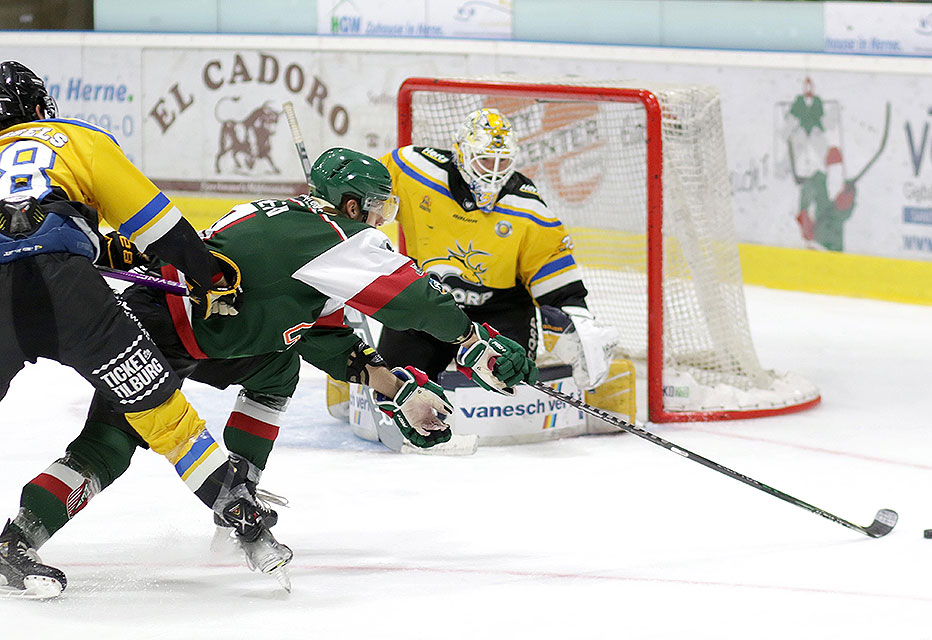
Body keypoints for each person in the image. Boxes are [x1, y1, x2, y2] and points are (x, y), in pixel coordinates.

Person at [5, 147, 538, 594]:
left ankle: (233, 498)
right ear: (351, 205)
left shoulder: (291, 227)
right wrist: (471, 341)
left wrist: (393, 386)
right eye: (377, 210)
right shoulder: (332, 237)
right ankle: (227, 502)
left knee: (274, 368)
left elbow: (318, 334)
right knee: (111, 444)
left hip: (181, 327)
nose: (381, 223)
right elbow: (411, 299)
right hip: (173, 332)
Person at [0, 61, 260, 600]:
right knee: (154, 403)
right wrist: (210, 276)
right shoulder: (76, 138)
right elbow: (158, 225)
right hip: (70, 291)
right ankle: (234, 504)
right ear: (39, 107)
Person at [377, 107, 617, 394]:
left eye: (502, 163)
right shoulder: (413, 170)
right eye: (484, 161)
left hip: (498, 309)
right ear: (462, 153)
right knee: (394, 386)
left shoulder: (527, 208)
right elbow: (363, 195)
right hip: (427, 302)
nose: (492, 172)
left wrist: (579, 327)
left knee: (509, 386)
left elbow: (554, 276)